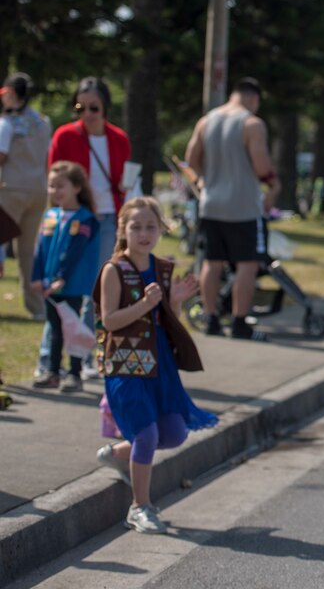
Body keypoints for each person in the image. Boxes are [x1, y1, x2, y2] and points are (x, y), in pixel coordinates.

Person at [93, 197, 217, 533]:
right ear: (123, 229)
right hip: (124, 366)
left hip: (159, 366)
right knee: (146, 434)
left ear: (161, 229)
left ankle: (117, 454)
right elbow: (110, 320)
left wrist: (173, 301)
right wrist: (145, 303)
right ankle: (140, 507)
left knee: (174, 434)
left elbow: (166, 321)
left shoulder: (162, 268)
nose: (144, 233)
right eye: (136, 227)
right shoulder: (114, 270)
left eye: (151, 226)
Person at [47, 77, 132, 380]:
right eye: (80, 106)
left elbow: (126, 177)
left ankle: (83, 358)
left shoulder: (118, 138)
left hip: (107, 218)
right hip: (73, 219)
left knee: (96, 291)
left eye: (93, 106)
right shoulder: (66, 135)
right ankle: (51, 360)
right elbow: (53, 180)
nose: (87, 112)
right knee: (64, 288)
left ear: (105, 106)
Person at [185, 77, 279, 341]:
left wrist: (203, 179)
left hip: (211, 204)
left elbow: (191, 158)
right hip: (243, 206)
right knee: (246, 265)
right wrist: (273, 184)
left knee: (212, 263)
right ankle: (239, 322)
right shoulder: (252, 123)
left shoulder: (207, 121)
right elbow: (261, 166)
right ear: (254, 99)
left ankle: (211, 317)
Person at [30, 162, 100, 391]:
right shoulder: (50, 215)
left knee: (72, 330)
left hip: (71, 285)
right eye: (51, 186)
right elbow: (39, 248)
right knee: (54, 329)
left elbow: (75, 250)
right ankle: (52, 371)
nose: (55, 191)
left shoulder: (85, 218)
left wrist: (62, 277)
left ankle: (75, 374)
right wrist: (37, 276)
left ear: (77, 187)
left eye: (60, 186)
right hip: (50, 284)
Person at [0, 73, 52, 320]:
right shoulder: (43, 122)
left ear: (14, 94)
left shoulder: (6, 123)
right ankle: (37, 308)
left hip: (10, 190)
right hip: (39, 190)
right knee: (28, 252)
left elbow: (1, 155)